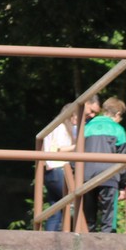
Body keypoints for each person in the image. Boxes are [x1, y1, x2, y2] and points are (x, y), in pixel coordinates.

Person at [40, 98, 97, 232]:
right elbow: (60, 149)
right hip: (59, 169)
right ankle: (80, 234)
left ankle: (49, 239)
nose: (78, 120)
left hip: (50, 171)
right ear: (71, 116)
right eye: (77, 117)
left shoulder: (55, 128)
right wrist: (79, 146)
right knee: (74, 202)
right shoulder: (61, 128)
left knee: (55, 210)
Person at [82, 96, 126, 233]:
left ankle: (86, 242)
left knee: (88, 217)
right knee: (108, 219)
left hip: (87, 176)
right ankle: (107, 241)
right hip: (109, 176)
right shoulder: (118, 130)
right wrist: (123, 185)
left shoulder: (86, 127)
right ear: (117, 114)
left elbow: (76, 153)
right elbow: (123, 160)